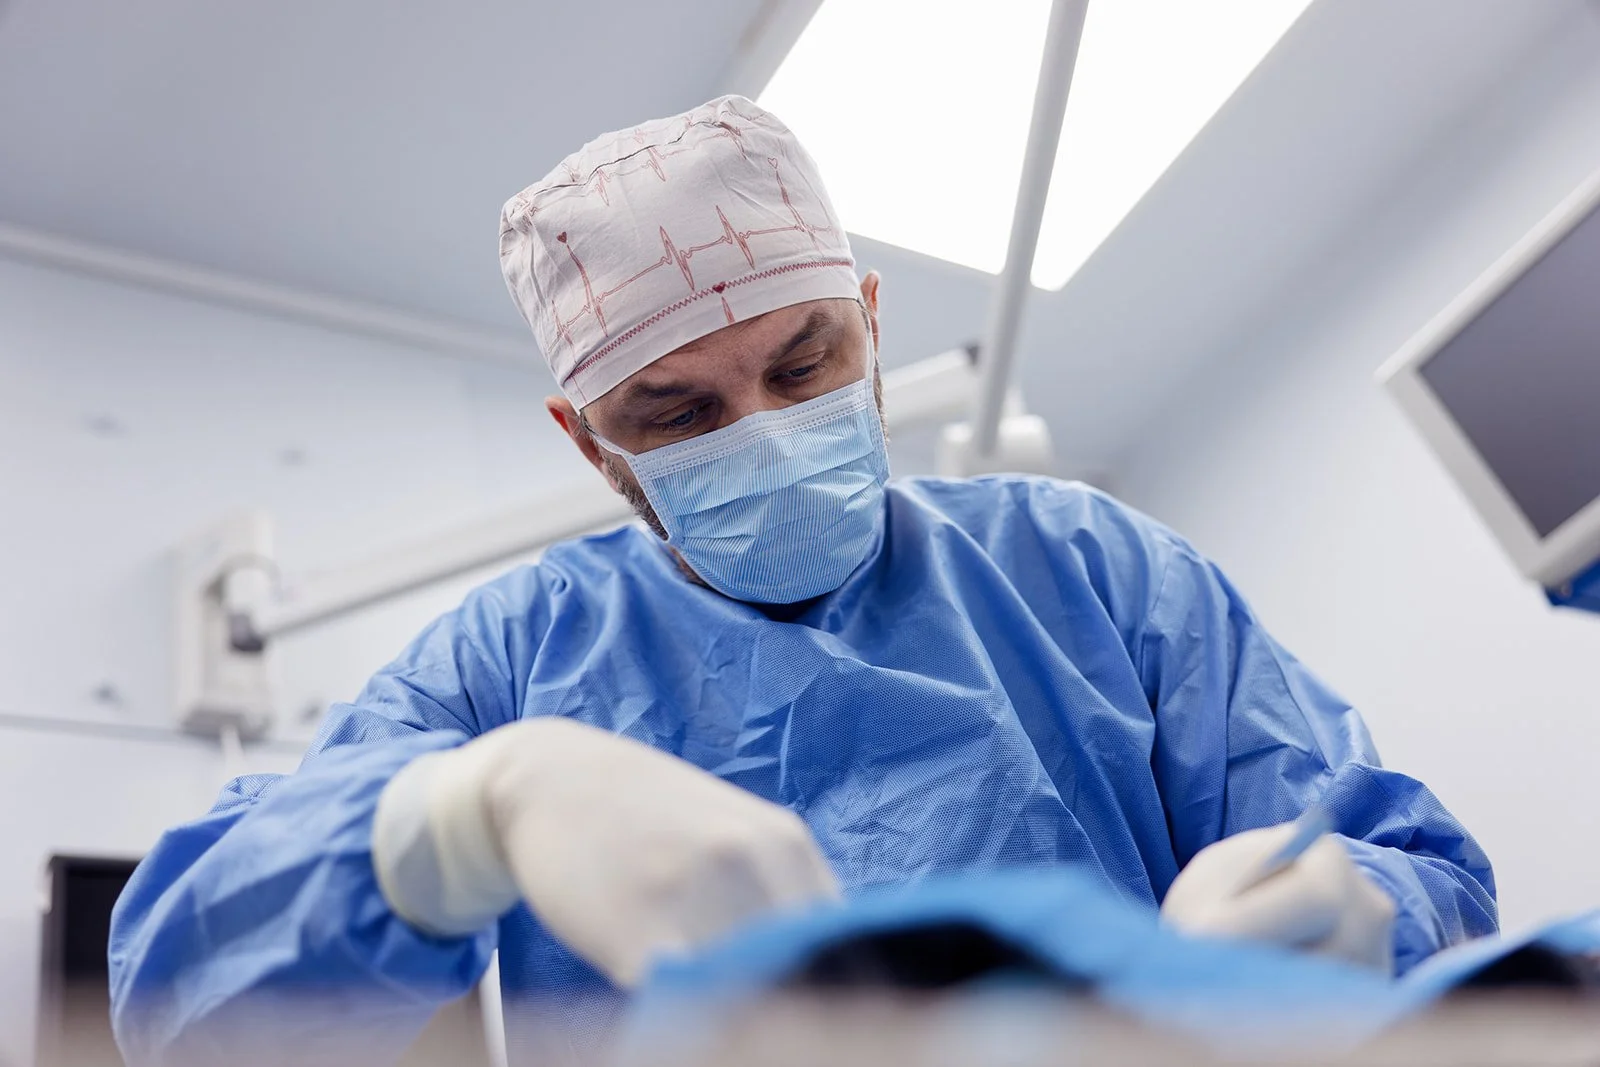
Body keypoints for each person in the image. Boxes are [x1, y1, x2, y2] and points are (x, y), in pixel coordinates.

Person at [108, 95, 1496, 1065]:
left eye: (804, 362)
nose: (765, 432)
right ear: (588, 442)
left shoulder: (1094, 571)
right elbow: (178, 1002)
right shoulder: (509, 666)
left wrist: (1351, 908)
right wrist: (462, 819)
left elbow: (1425, 877)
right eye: (677, 413)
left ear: (873, 326)